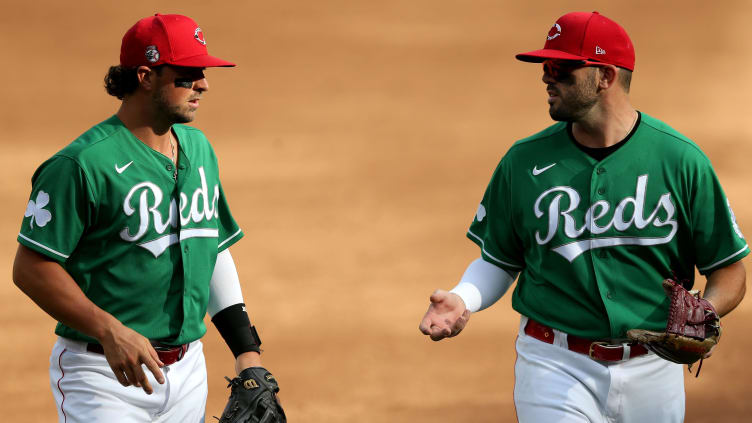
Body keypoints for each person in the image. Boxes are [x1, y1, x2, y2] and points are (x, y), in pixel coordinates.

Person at [419, 11, 747, 423]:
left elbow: (729, 269)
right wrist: (463, 297)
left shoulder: (680, 161)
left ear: (605, 76)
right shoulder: (523, 162)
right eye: (545, 66)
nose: (546, 77)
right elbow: (500, 260)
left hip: (654, 370)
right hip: (554, 365)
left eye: (561, 68)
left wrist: (706, 312)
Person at [13, 13, 283, 422]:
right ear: (146, 76)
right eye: (188, 73)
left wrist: (247, 352)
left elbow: (208, 248)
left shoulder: (199, 149)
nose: (204, 84)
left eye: (203, 72)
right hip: (103, 374)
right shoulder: (81, 164)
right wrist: (108, 329)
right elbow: (30, 268)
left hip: (189, 371)